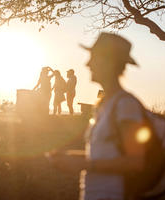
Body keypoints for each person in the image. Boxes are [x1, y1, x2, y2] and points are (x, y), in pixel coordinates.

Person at [47, 32, 149, 200]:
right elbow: (106, 154)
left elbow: (135, 163)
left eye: (93, 58)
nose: (87, 64)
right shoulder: (105, 104)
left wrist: (83, 164)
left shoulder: (126, 105)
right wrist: (70, 158)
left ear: (108, 62)